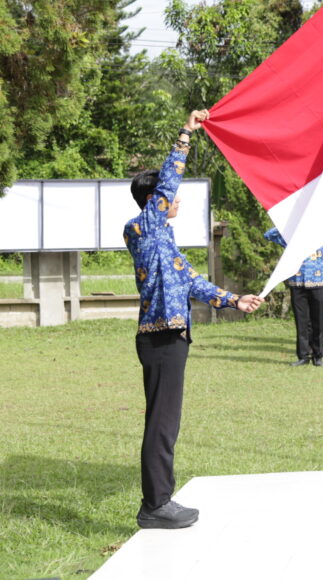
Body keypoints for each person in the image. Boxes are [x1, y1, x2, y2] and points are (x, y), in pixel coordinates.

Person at [125, 109, 263, 529]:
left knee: (167, 422)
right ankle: (155, 505)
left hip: (172, 338)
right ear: (155, 200)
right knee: (162, 424)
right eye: (170, 196)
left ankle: (158, 500)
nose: (178, 199)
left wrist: (234, 300)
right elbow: (168, 181)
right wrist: (186, 133)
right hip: (161, 338)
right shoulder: (144, 227)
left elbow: (193, 281)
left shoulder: (164, 239)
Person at [264, 227, 323, 366]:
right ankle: (303, 356)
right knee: (301, 322)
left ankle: (318, 355)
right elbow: (269, 235)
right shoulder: (292, 235)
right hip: (297, 283)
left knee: (318, 321)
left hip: (319, 283)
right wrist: (291, 223)